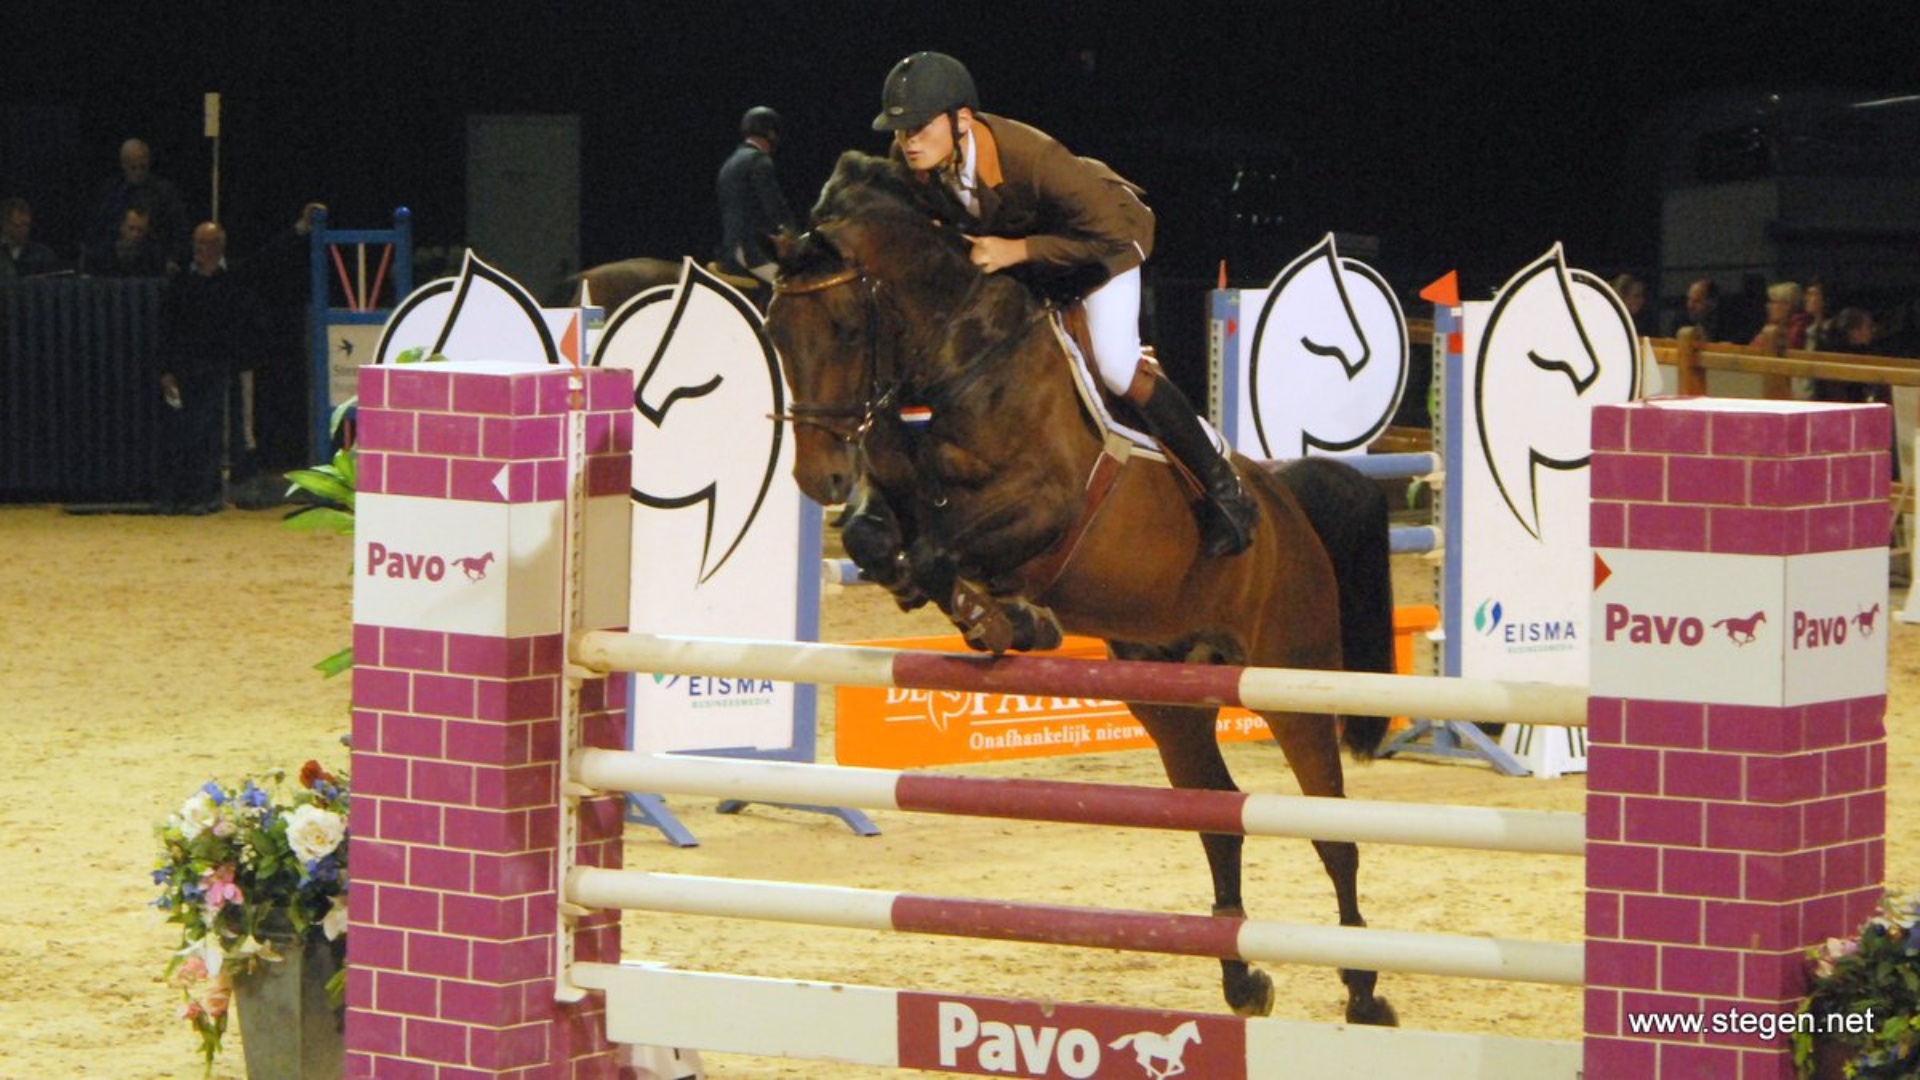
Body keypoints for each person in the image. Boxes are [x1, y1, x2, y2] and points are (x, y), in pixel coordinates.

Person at [870, 50, 1257, 556]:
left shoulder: (1034, 157)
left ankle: (1225, 488)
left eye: (919, 127)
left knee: (1115, 365)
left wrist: (1017, 250)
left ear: (961, 119)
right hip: (1027, 252)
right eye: (901, 130)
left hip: (1105, 245)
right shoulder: (913, 162)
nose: (908, 141)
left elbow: (1110, 235)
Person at [154, 204, 322, 513]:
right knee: (187, 432)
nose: (199, 250)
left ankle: (211, 494)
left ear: (219, 246)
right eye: (196, 243)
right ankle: (184, 494)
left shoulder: (234, 276)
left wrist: (300, 227)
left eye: (205, 244)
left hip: (225, 367)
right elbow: (167, 328)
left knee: (220, 431)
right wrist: (165, 370)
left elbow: (270, 257)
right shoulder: (181, 282)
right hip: (187, 368)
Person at [714, 106, 797, 285]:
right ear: (771, 134)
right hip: (750, 252)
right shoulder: (759, 161)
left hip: (729, 249)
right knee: (793, 285)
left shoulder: (730, 163)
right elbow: (773, 206)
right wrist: (789, 232)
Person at [85, 138, 190, 274]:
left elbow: (179, 231)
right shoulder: (110, 192)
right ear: (123, 165)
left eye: (143, 167)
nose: (139, 172)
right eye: (133, 167)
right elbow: (96, 230)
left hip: (155, 264)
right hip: (113, 264)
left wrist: (173, 259)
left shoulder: (165, 193)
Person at [90, 207, 169, 277]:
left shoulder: (153, 258)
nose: (135, 234)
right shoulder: (103, 254)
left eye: (140, 230)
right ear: (122, 227)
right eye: (131, 228)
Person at [1, 197, 61, 278]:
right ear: (5, 225)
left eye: (26, 225)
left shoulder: (42, 255)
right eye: (18, 226)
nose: (23, 230)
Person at [1749, 280, 1809, 351]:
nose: (1768, 306)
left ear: (1787, 305)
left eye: (1773, 302)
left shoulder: (1797, 329)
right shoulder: (1775, 325)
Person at [1610, 271, 1656, 337]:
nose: (1641, 301)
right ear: (1622, 296)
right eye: (1636, 296)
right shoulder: (1612, 323)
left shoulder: (1636, 323)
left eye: (1642, 296)